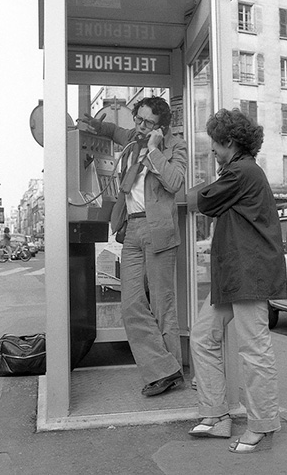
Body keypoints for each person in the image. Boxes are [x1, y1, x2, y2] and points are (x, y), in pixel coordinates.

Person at [187, 108, 287, 454]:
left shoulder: (241, 171)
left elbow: (204, 201)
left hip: (249, 273)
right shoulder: (240, 170)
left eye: (214, 144)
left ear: (229, 141)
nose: (211, 150)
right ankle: (216, 414)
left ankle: (262, 425)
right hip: (235, 274)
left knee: (254, 349)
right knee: (202, 336)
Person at [79, 96, 187, 397]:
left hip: (159, 230)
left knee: (163, 306)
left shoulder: (173, 147)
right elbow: (114, 131)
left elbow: (175, 181)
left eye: (147, 123)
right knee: (130, 306)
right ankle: (165, 369)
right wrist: (93, 123)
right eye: (137, 120)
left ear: (161, 127)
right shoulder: (132, 140)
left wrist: (154, 150)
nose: (139, 127)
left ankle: (169, 370)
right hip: (132, 230)